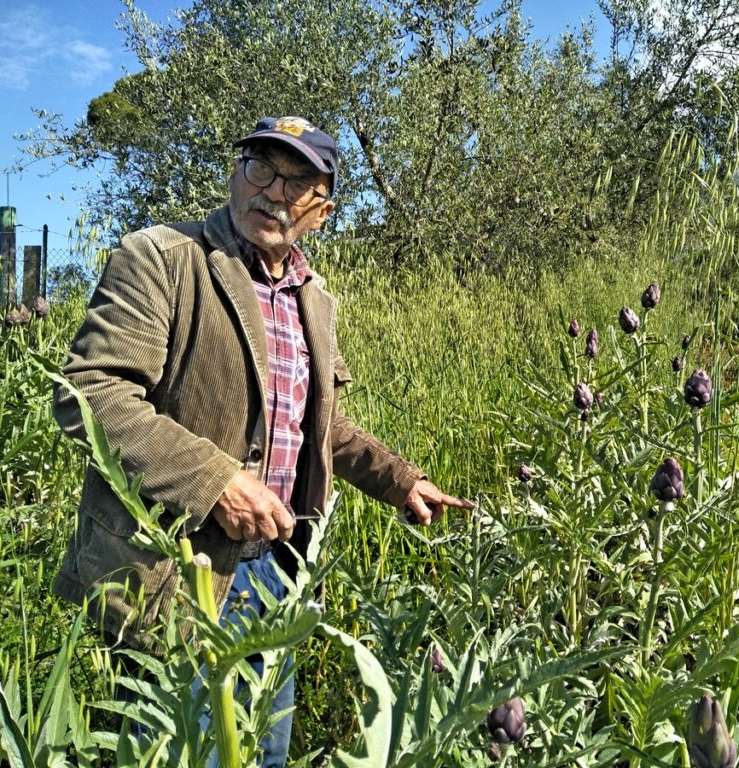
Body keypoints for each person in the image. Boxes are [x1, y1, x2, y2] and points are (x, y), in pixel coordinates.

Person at [51, 115, 475, 764]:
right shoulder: (164, 259)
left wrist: (400, 479)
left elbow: (317, 424)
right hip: (177, 574)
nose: (274, 192)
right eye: (262, 168)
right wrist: (214, 480)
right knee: (175, 755)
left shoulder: (315, 300)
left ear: (322, 212)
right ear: (235, 173)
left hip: (276, 576)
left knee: (263, 753)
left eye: (299, 182)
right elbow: (92, 394)